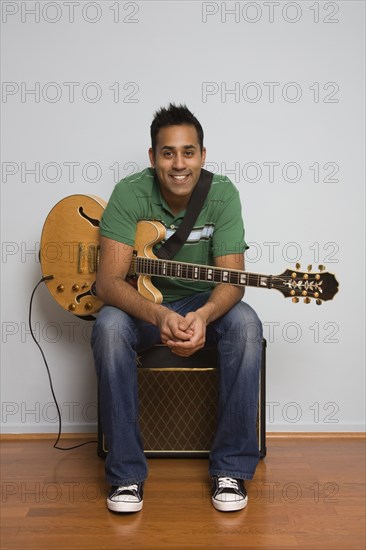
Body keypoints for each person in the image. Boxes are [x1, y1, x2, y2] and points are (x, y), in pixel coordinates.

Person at [91, 103, 263, 513]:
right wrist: (159, 315)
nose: (179, 163)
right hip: (143, 306)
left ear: (203, 155)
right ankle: (126, 476)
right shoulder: (129, 192)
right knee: (109, 329)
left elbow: (232, 281)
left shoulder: (222, 194)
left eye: (189, 152)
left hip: (204, 302)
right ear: (153, 158)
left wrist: (202, 316)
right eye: (168, 153)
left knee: (247, 327)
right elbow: (107, 282)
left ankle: (231, 469)